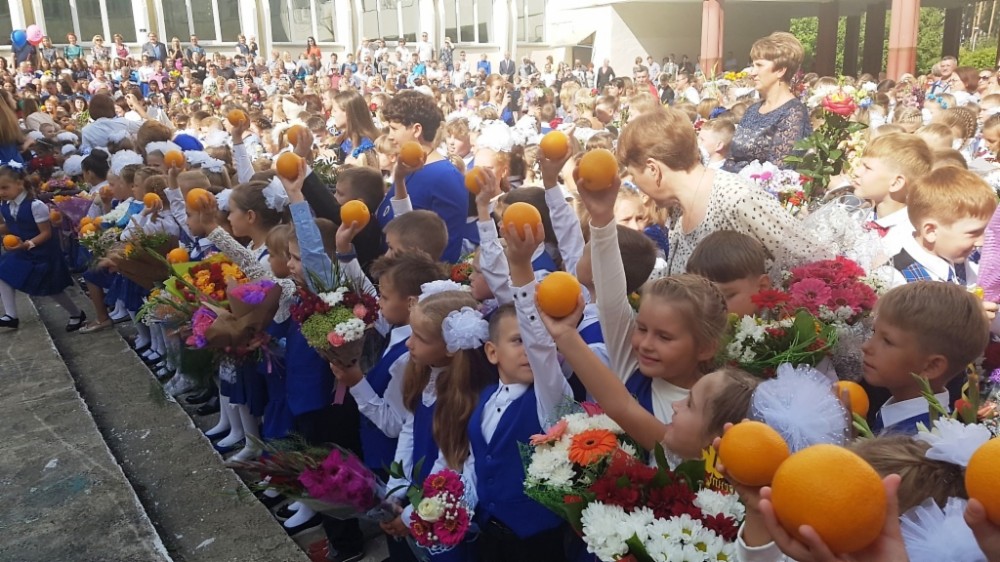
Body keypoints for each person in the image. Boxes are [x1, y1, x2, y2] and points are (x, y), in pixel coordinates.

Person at [616, 108, 819, 276]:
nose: (636, 186)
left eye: (634, 175)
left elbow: (817, 261)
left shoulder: (735, 198)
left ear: (653, 169)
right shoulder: (679, 209)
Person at [380, 290, 495, 561]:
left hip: (442, 504)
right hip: (418, 493)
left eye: (420, 338)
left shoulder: (468, 398)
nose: (409, 343)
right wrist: (396, 487)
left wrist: (413, 516)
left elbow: (451, 463)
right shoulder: (425, 373)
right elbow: (410, 429)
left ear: (451, 348)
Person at [863, 282, 989, 434]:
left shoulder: (918, 443)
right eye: (873, 332)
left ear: (932, 366)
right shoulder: (901, 413)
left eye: (887, 341)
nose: (866, 347)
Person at [376, 90, 478, 263]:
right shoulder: (406, 169)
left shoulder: (446, 177)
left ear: (416, 130)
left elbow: (445, 248)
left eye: (394, 129)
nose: (390, 136)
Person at [0, 163, 85, 331]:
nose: (1, 192)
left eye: (4, 188)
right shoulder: (6, 205)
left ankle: (76, 313)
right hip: (23, 250)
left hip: (43, 253)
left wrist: (28, 244)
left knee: (52, 289)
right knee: (3, 273)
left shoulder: (35, 206)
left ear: (19, 183)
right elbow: (12, 225)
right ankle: (11, 315)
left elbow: (46, 233)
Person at [891, 166, 996, 287]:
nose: (982, 241)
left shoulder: (962, 261)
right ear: (931, 232)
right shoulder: (897, 278)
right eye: (973, 233)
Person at [725, 32, 811, 172]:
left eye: (759, 65)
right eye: (752, 65)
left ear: (780, 71)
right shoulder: (752, 110)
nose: (752, 72)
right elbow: (731, 157)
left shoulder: (793, 113)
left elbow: (777, 172)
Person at [851, 133, 933, 261]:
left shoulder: (910, 238)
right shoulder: (858, 217)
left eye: (867, 168)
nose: (856, 172)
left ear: (895, 183)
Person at [686, 230, 771, 317]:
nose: (709, 309)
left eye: (725, 296)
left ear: (762, 287)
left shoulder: (781, 326)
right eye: (700, 298)